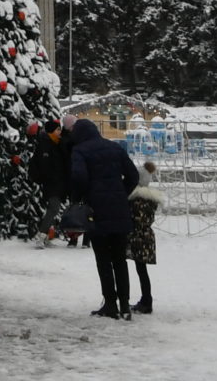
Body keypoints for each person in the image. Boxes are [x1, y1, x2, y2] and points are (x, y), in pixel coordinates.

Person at [65, 117, 141, 318]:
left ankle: (110, 303)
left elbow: (79, 178)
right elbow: (133, 175)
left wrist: (79, 199)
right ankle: (125, 305)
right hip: (119, 210)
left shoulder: (80, 151)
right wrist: (120, 194)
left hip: (97, 211)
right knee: (119, 259)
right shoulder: (114, 148)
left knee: (103, 259)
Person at [127, 158, 165, 316]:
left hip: (139, 238)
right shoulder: (149, 200)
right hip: (146, 237)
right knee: (141, 270)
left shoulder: (138, 200)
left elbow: (136, 219)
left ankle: (147, 301)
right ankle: (146, 299)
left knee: (141, 270)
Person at [30, 119, 69, 248]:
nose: (60, 132)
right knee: (54, 208)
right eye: (58, 129)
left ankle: (44, 235)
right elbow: (45, 166)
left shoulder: (56, 143)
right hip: (52, 183)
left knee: (53, 209)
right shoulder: (46, 145)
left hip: (58, 183)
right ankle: (41, 235)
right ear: (51, 131)